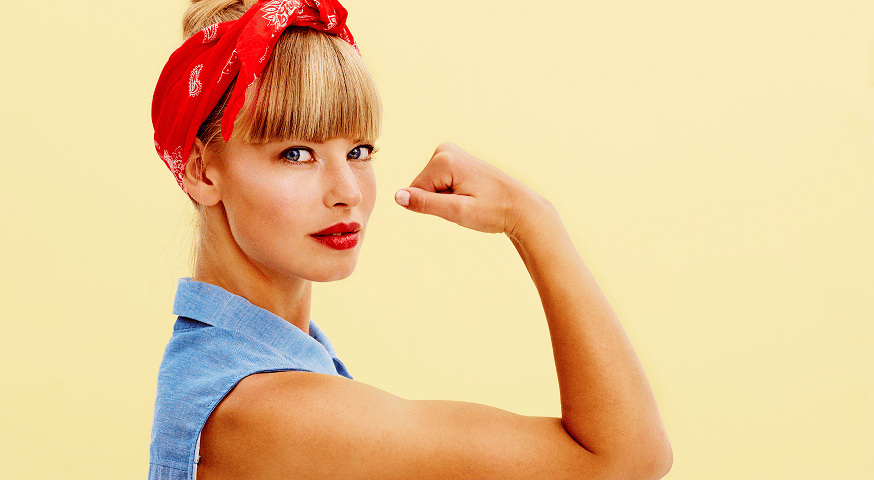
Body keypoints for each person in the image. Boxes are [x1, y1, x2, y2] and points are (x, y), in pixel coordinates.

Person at [148, 1, 673, 479]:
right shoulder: (266, 408)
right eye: (296, 153)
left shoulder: (235, 364)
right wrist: (534, 220)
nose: (348, 192)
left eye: (359, 151)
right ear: (202, 171)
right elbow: (628, 459)